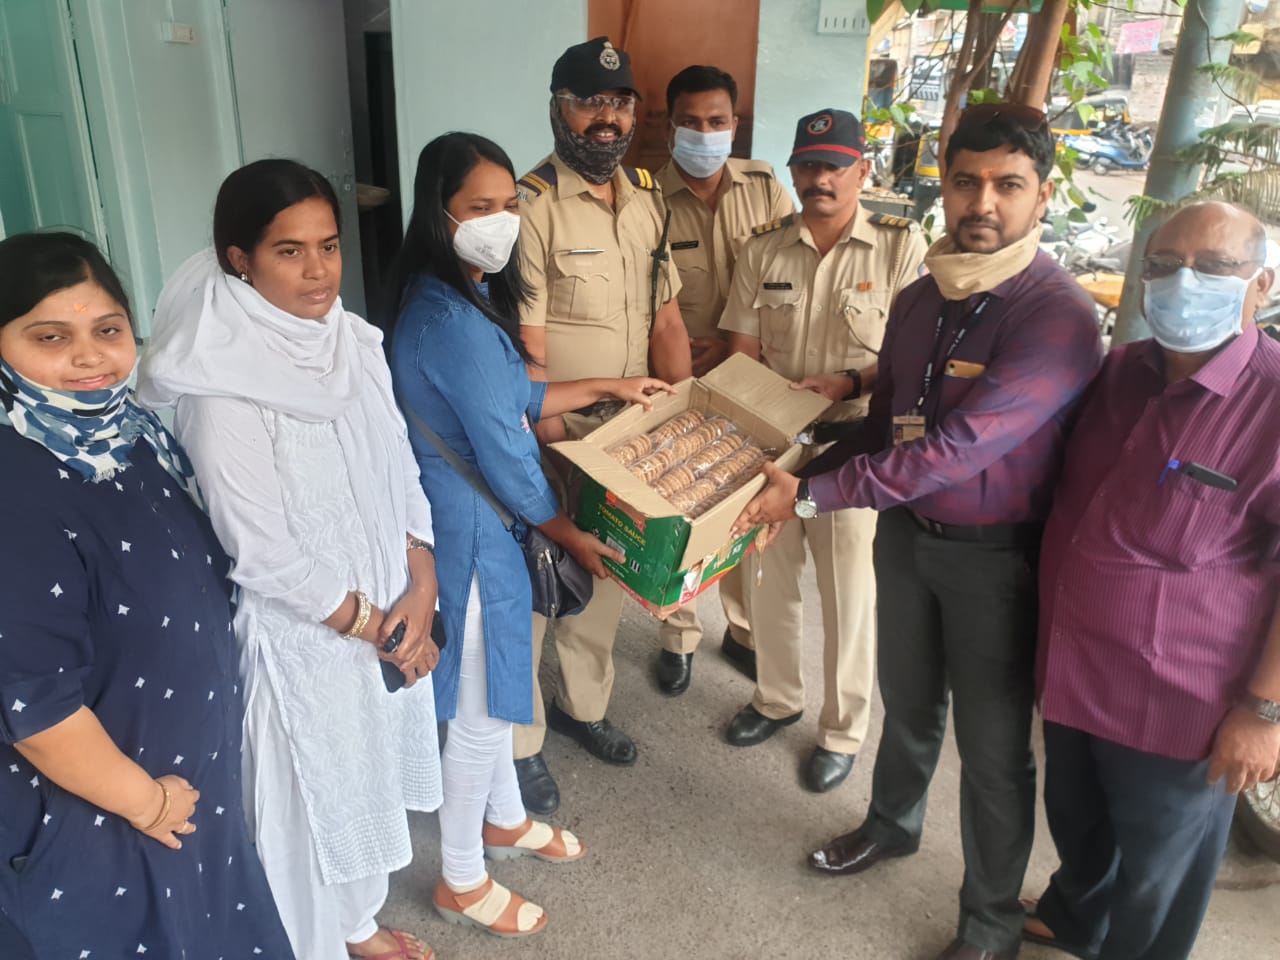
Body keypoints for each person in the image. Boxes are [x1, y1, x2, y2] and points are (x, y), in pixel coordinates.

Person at [735, 104, 1102, 960]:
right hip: (907, 536)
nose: (984, 202)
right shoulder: (922, 298)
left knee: (994, 754)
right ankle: (893, 824)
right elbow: (890, 424)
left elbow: (956, 450)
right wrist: (805, 464)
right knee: (906, 705)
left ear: (1041, 196)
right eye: (967, 180)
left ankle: (989, 924)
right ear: (944, 183)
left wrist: (813, 498)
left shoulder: (1057, 316)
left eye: (1008, 185)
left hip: (996, 561)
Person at [137, 160, 442, 960]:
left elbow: (400, 466)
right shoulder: (219, 383)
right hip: (301, 637)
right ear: (240, 259)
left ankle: (355, 925)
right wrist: (382, 628)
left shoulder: (351, 340)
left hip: (382, 611)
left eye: (330, 247)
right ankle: (311, 943)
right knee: (309, 805)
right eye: (290, 252)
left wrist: (422, 579)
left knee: (366, 777)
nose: (318, 271)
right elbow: (260, 552)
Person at [387, 132, 673, 937]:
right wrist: (568, 530)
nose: (502, 221)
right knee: (480, 708)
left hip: (484, 522)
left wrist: (612, 382)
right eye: (480, 207)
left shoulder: (464, 297)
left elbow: (518, 393)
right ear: (438, 214)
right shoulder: (447, 318)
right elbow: (509, 448)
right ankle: (460, 876)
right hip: (473, 533)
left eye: (511, 204)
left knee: (502, 680)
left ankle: (505, 819)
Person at [0, 232, 294, 959]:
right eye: (49, 336)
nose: (89, 356)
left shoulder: (131, 438)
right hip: (99, 820)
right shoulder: (17, 486)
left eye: (107, 330)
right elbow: (36, 704)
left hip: (184, 792)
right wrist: (146, 801)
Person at [1023, 201, 1280, 960]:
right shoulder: (1121, 371)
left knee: (1159, 874)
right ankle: (1075, 918)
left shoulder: (1272, 402)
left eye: (1213, 267)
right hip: (1073, 670)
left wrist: (1263, 712)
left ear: (1259, 285)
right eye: (1164, 266)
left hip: (1180, 702)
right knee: (1078, 822)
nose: (1182, 282)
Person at [718, 108, 926, 793]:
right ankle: (776, 699)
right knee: (769, 576)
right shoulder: (762, 248)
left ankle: (842, 731)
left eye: (835, 166)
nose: (820, 179)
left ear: (862, 170)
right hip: (779, 441)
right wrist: (766, 403)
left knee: (848, 591)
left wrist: (847, 381)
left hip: (854, 442)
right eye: (808, 166)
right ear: (793, 171)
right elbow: (741, 348)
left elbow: (911, 357)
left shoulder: (900, 247)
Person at [512, 36, 693, 814]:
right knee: (534, 588)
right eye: (590, 102)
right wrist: (553, 443)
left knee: (606, 579)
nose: (607, 120)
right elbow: (525, 347)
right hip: (551, 433)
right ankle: (519, 742)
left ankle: (587, 709)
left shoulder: (648, 199)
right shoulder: (529, 206)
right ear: (558, 108)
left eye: (621, 104)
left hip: (628, 431)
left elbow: (667, 317)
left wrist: (683, 414)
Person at [650, 64, 795, 696]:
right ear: (670, 123)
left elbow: (791, 258)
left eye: (717, 121)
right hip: (678, 375)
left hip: (754, 373)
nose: (704, 133)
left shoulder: (764, 186)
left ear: (734, 125)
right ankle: (679, 635)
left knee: (741, 502)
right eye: (691, 121)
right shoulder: (644, 195)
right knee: (683, 502)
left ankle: (741, 630)